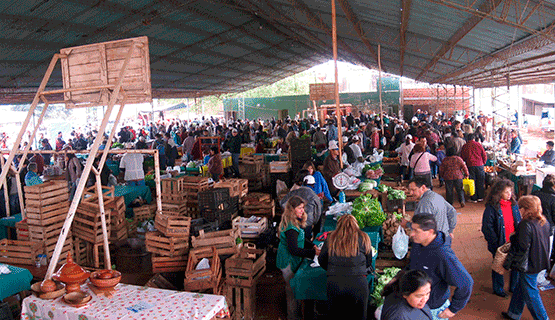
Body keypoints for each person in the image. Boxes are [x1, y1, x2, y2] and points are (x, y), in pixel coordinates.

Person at [408, 214, 473, 319]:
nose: (411, 234)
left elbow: (466, 283)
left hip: (432, 309)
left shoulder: (443, 255)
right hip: (416, 304)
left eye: (416, 231)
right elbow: (412, 264)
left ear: (430, 232)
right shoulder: (418, 244)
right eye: (412, 229)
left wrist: (453, 309)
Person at [502, 195, 550, 320]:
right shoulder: (544, 221)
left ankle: (543, 318)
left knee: (531, 293)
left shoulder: (525, 224)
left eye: (520, 207)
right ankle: (513, 313)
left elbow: (522, 246)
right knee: (521, 287)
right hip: (540, 261)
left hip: (529, 264)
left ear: (525, 209)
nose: (518, 210)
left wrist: (513, 237)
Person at [318, 214, 373, 320]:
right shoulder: (364, 237)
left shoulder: (331, 238)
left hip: (335, 284)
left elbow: (322, 260)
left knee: (336, 315)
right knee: (360, 316)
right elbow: (368, 262)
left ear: (338, 225)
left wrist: (332, 269)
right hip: (358, 284)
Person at [276, 196, 318, 320]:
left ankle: (297, 313)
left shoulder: (294, 221)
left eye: (303, 208)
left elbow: (301, 239)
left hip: (292, 258)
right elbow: (294, 250)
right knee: (292, 289)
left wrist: (313, 246)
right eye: (299, 208)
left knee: (294, 287)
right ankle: (292, 316)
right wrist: (313, 253)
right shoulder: (290, 227)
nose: (302, 211)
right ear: (292, 210)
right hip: (288, 261)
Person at [481, 179, 521, 297]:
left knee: (515, 265)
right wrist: (495, 242)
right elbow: (487, 227)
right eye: (506, 192)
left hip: (513, 241)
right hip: (500, 243)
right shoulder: (492, 208)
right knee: (498, 266)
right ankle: (498, 288)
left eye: (511, 192)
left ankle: (513, 287)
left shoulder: (514, 205)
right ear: (498, 193)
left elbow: (518, 220)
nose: (510, 194)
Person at [280, 172, 323, 239]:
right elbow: (318, 212)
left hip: (294, 221)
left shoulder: (294, 192)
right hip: (308, 222)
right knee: (306, 241)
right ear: (313, 185)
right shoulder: (314, 196)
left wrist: (291, 213)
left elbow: (282, 203)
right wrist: (314, 222)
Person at [531, 174, 555, 266]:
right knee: (546, 252)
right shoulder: (553, 199)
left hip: (533, 226)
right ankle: (541, 276)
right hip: (548, 229)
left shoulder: (535, 194)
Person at [460, 133, 487, 202]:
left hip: (470, 165)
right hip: (480, 165)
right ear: (474, 138)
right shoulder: (478, 145)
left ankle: (473, 198)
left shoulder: (465, 146)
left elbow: (462, 157)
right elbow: (484, 154)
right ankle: (480, 197)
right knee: (480, 180)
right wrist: (483, 162)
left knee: (472, 181)